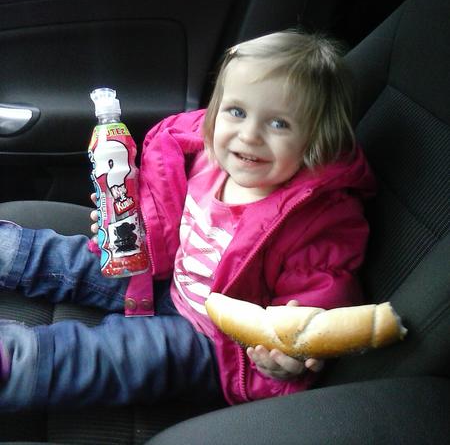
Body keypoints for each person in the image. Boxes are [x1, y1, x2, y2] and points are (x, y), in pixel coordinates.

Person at [0, 30, 375, 411]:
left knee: (122, 355)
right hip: (164, 279)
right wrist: (126, 224)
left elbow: (315, 311)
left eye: (279, 124)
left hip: (212, 341)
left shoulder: (319, 219)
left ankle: (14, 362)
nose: (249, 135)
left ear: (316, 140)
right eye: (236, 111)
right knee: (70, 257)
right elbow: (162, 221)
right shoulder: (204, 159)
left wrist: (286, 359)